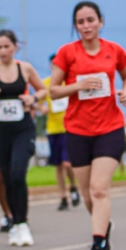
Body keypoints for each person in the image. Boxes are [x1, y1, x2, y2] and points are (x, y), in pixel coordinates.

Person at [49, 1, 126, 250]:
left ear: (100, 21)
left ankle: (97, 245)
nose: (86, 26)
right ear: (76, 26)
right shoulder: (67, 52)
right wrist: (79, 85)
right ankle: (104, 226)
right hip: (77, 130)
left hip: (110, 128)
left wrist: (125, 92)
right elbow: (53, 90)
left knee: (99, 188)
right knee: (88, 196)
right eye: (80, 22)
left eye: (90, 20)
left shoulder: (114, 50)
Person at [0, 30, 46, 245]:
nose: (2, 51)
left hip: (23, 129)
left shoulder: (25, 68)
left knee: (18, 174)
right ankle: (14, 223)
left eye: (6, 47)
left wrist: (32, 98)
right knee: (6, 178)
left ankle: (23, 223)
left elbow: (42, 90)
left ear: (15, 47)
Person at [42, 55, 81, 213]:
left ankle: (73, 186)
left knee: (67, 163)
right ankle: (63, 196)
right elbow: (38, 102)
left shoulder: (70, 82)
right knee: (58, 165)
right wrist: (42, 108)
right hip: (53, 129)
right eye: (54, 65)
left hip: (69, 128)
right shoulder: (45, 83)